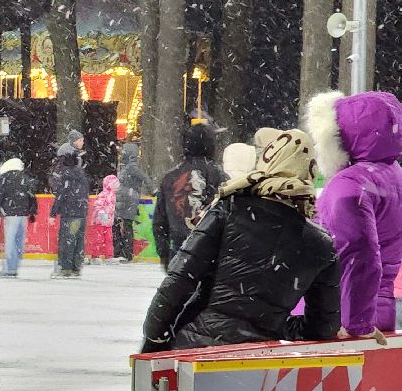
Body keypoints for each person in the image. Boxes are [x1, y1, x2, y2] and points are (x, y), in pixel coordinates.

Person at [141, 129, 340, 352]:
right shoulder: (320, 245)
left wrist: (154, 340)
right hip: (258, 363)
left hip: (195, 348)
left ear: (268, 161)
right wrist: (276, 327)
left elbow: (178, 283)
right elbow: (323, 327)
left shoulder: (231, 209)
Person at [307, 90, 402, 338]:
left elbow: (358, 253)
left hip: (341, 315)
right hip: (380, 308)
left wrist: (356, 323)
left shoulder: (350, 184)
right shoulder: (394, 176)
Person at [153, 121, 225, 268]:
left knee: (179, 290)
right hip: (210, 254)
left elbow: (160, 222)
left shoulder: (170, 177)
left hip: (179, 252)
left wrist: (164, 254)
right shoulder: (218, 175)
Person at [50, 143, 89, 278]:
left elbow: (60, 195)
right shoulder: (82, 177)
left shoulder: (66, 177)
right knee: (78, 241)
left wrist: (53, 213)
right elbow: (85, 195)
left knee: (67, 240)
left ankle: (66, 268)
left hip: (70, 214)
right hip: (81, 214)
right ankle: (76, 267)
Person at [0, 157, 37, 279]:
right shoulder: (25, 179)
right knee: (19, 241)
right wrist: (32, 211)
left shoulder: (5, 179)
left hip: (11, 214)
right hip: (23, 214)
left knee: (10, 241)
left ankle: (9, 268)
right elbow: (32, 196)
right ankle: (15, 266)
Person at [114, 143, 151, 262]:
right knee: (125, 226)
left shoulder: (131, 167)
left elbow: (145, 178)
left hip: (128, 201)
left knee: (126, 227)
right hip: (126, 200)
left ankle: (126, 253)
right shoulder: (128, 166)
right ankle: (124, 253)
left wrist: (153, 191)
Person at [87, 174, 119, 262]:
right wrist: (103, 215)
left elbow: (111, 208)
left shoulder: (113, 196)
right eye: (115, 185)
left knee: (108, 239)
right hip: (100, 222)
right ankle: (95, 256)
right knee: (98, 239)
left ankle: (109, 256)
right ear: (109, 185)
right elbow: (97, 205)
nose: (117, 188)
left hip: (108, 222)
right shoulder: (104, 194)